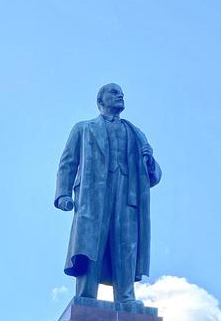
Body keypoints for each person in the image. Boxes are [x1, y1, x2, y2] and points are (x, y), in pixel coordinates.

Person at [55, 84, 161, 305]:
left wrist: (149, 161)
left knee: (126, 245)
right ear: (100, 100)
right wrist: (63, 194)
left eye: (121, 93)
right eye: (113, 92)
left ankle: (126, 297)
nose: (120, 95)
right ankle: (86, 296)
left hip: (127, 196)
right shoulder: (83, 129)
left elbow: (154, 176)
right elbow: (68, 163)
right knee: (91, 243)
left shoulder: (136, 134)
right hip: (93, 196)